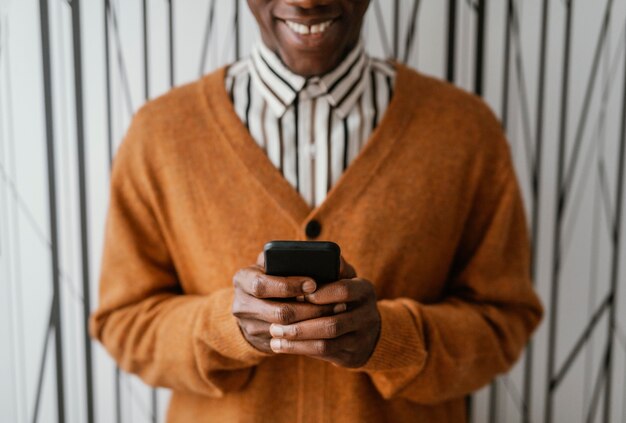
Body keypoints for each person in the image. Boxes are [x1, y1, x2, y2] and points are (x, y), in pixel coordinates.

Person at [90, 0, 544, 421]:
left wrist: (391, 338)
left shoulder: (465, 131)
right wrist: (224, 329)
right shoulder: (161, 134)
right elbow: (123, 323)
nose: (306, 0)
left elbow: (504, 323)